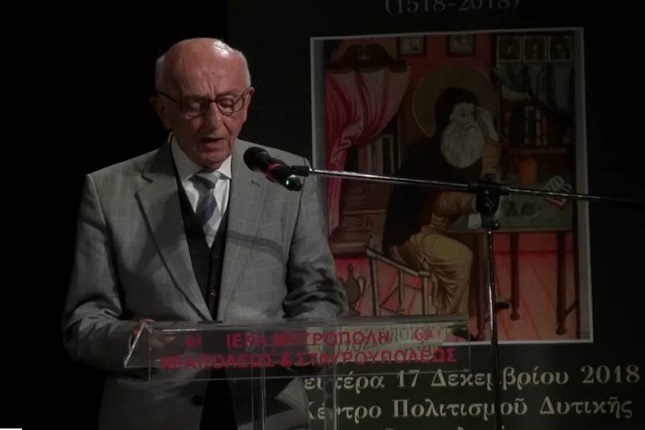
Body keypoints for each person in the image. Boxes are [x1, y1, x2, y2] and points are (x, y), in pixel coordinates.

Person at [62, 37, 348, 430]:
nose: (214, 123)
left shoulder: (286, 178)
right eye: (194, 105)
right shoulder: (109, 190)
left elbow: (320, 294)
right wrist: (135, 342)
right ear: (162, 110)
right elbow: (84, 322)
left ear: (247, 103)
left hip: (269, 409)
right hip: (156, 414)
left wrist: (306, 339)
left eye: (228, 102)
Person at [382, 87, 506, 337]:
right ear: (446, 117)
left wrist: (490, 131)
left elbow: (488, 177)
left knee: (480, 245)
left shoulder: (465, 150)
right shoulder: (424, 153)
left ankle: (481, 307)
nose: (469, 121)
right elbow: (440, 202)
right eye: (462, 114)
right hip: (411, 234)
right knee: (462, 256)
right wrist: (474, 202)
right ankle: (447, 324)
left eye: (472, 114)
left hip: (441, 226)